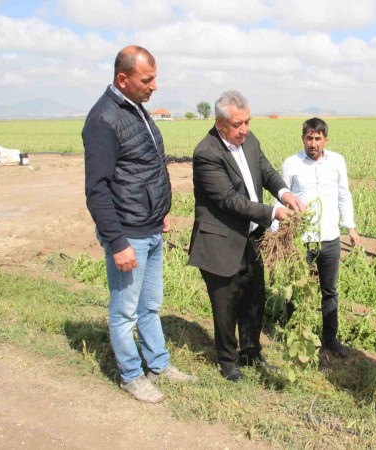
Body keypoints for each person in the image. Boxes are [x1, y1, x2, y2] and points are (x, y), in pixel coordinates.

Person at [83, 45, 194, 403]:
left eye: (154, 78)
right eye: (147, 79)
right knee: (124, 311)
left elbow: (143, 168)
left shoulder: (136, 110)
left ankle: (158, 364)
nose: (154, 86)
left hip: (150, 227)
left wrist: (158, 209)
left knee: (150, 305)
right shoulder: (103, 120)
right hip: (128, 233)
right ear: (123, 79)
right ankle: (131, 375)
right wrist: (117, 242)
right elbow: (97, 190)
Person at [188, 90, 305, 382]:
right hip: (221, 242)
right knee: (226, 304)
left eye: (247, 122)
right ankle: (228, 362)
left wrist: (284, 192)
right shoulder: (207, 153)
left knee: (255, 298)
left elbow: (265, 171)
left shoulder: (249, 141)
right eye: (238, 124)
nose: (244, 129)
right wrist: (272, 213)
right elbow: (229, 200)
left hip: (252, 239)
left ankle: (251, 353)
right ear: (220, 122)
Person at [276, 117, 361, 357]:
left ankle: (330, 339)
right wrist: (275, 232)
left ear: (325, 139)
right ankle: (292, 334)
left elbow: (344, 194)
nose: (313, 143)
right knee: (294, 288)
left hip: (330, 237)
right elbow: (280, 198)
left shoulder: (337, 162)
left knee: (330, 290)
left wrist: (350, 227)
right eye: (309, 138)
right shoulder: (291, 164)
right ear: (303, 138)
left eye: (317, 138)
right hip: (302, 239)